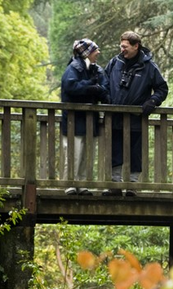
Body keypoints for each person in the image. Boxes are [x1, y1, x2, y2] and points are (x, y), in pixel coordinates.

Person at [103, 31, 169, 196]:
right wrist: (105, 99)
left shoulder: (149, 66)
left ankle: (132, 186)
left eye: (125, 46)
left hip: (136, 117)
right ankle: (115, 186)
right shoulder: (114, 62)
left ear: (136, 46)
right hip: (114, 116)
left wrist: (152, 102)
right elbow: (103, 82)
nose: (122, 49)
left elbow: (162, 88)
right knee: (114, 150)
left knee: (135, 152)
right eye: (121, 46)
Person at [60, 38, 110, 195]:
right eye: (95, 50)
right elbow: (70, 87)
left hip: (90, 121)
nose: (98, 53)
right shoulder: (73, 68)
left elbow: (105, 88)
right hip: (73, 121)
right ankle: (70, 184)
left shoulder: (96, 69)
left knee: (86, 154)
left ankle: (81, 184)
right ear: (87, 53)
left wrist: (97, 89)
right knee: (73, 153)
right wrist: (90, 87)